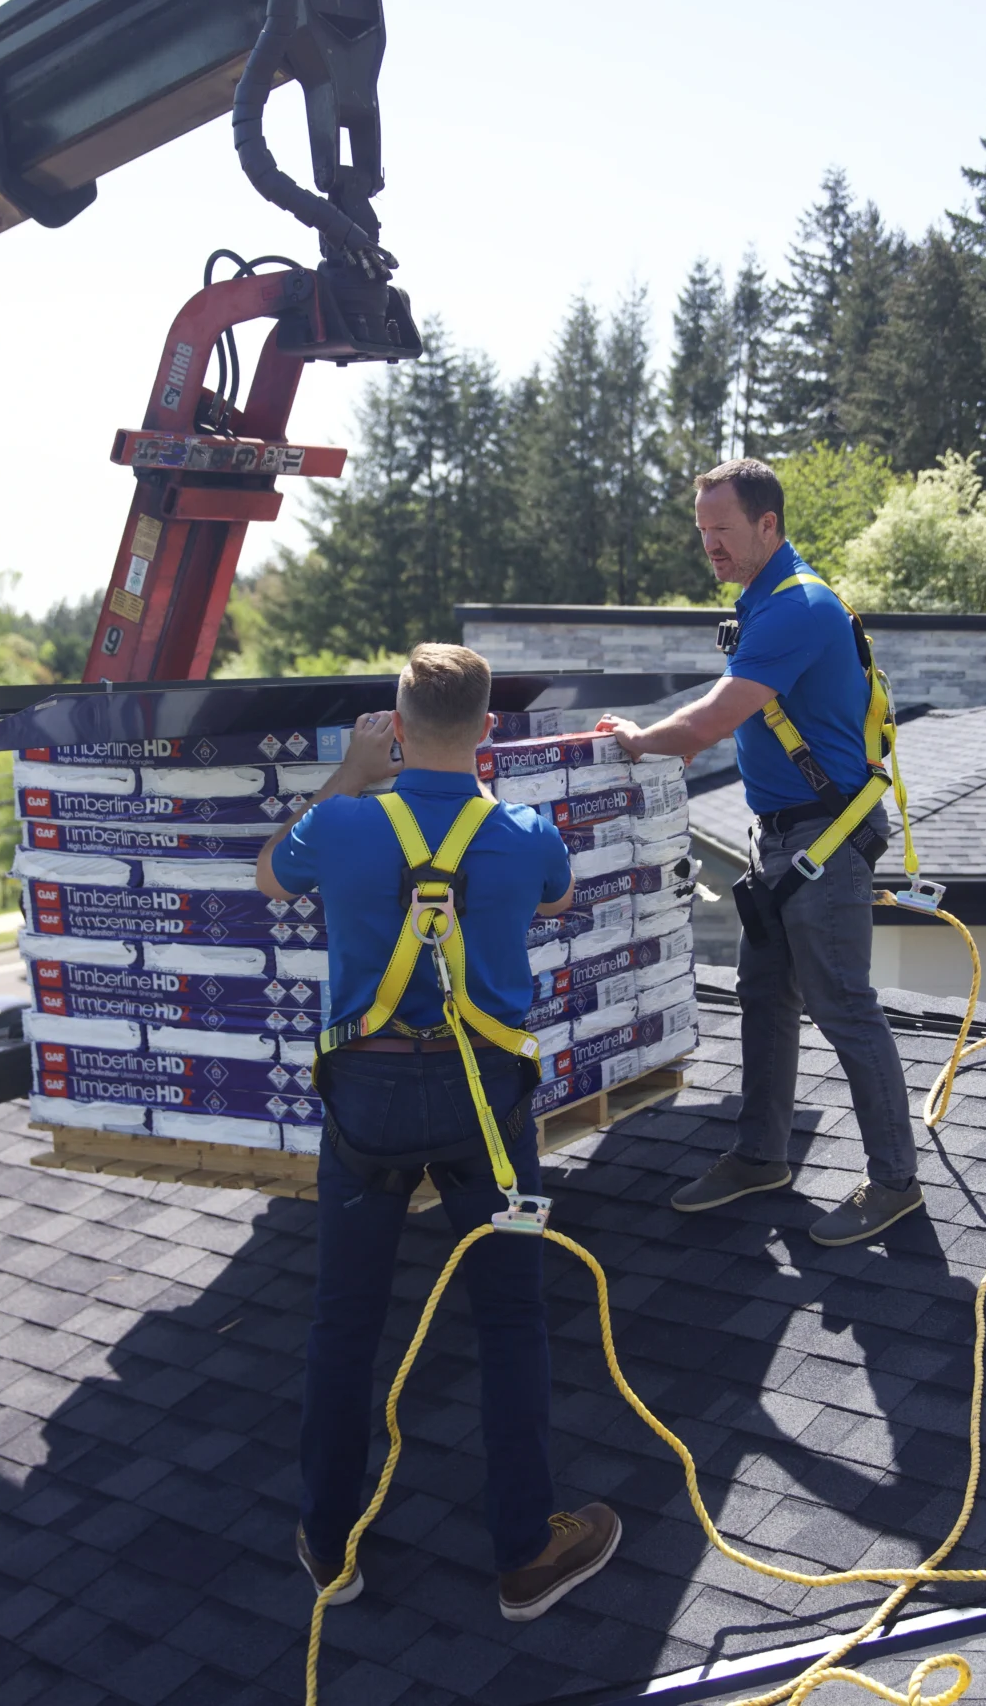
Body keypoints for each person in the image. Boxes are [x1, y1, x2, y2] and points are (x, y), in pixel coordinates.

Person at [257, 643, 624, 1622]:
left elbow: (269, 878)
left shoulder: (339, 824)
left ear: (397, 722)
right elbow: (555, 894)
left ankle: (331, 1545)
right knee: (507, 1318)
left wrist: (350, 773)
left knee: (346, 1321)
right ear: (490, 727)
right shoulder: (522, 832)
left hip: (366, 1110)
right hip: (486, 1117)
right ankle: (522, 1551)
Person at [599, 459, 925, 1248]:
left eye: (723, 531)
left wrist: (641, 741)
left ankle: (896, 1184)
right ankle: (760, 1156)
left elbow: (715, 716)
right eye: (702, 532)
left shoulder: (798, 606)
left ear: (768, 525)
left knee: (843, 1005)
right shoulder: (764, 602)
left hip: (823, 842)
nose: (709, 545)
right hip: (783, 837)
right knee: (765, 995)